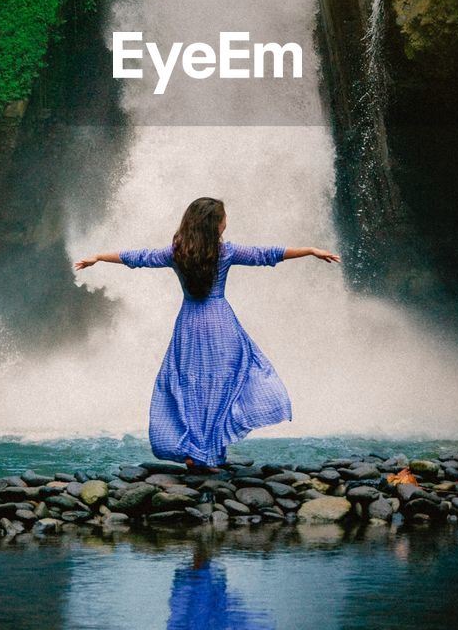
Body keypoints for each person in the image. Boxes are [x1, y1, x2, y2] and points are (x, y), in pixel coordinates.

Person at [74, 196, 340, 470]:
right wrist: (309, 250)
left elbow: (138, 258)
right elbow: (266, 254)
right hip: (221, 324)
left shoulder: (177, 252)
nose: (227, 222)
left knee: (189, 386)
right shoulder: (225, 252)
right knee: (224, 385)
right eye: (224, 218)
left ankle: (197, 453)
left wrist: (100, 258)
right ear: (216, 225)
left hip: (189, 325)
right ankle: (208, 452)